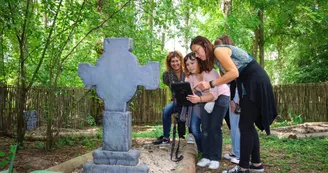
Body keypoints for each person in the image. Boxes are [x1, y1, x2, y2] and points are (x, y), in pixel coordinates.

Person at [190, 36, 277, 173]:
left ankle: (243, 168)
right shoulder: (216, 58)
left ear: (205, 45)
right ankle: (256, 164)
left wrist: (210, 84)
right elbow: (235, 77)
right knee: (248, 125)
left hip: (255, 82)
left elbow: (234, 73)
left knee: (244, 125)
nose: (197, 55)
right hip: (248, 84)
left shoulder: (219, 50)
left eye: (197, 50)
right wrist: (239, 97)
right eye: (194, 53)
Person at [185, 53, 230, 170]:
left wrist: (198, 99)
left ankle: (215, 158)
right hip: (206, 98)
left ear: (199, 61)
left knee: (215, 127)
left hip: (221, 96)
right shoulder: (190, 77)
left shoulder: (210, 72)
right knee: (205, 128)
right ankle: (206, 156)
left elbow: (213, 95)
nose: (190, 66)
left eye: (192, 62)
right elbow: (188, 91)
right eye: (187, 64)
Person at [215, 35, 241, 164]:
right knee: (233, 125)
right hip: (232, 91)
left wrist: (233, 100)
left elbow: (236, 80)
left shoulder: (232, 60)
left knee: (237, 125)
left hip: (236, 93)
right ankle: (235, 152)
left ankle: (239, 154)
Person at [153, 51, 185, 145]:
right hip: (176, 101)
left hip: (190, 100)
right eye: (172, 61)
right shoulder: (166, 75)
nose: (175, 63)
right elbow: (171, 88)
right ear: (169, 63)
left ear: (181, 60)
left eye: (177, 61)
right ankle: (166, 137)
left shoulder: (187, 71)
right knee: (166, 110)